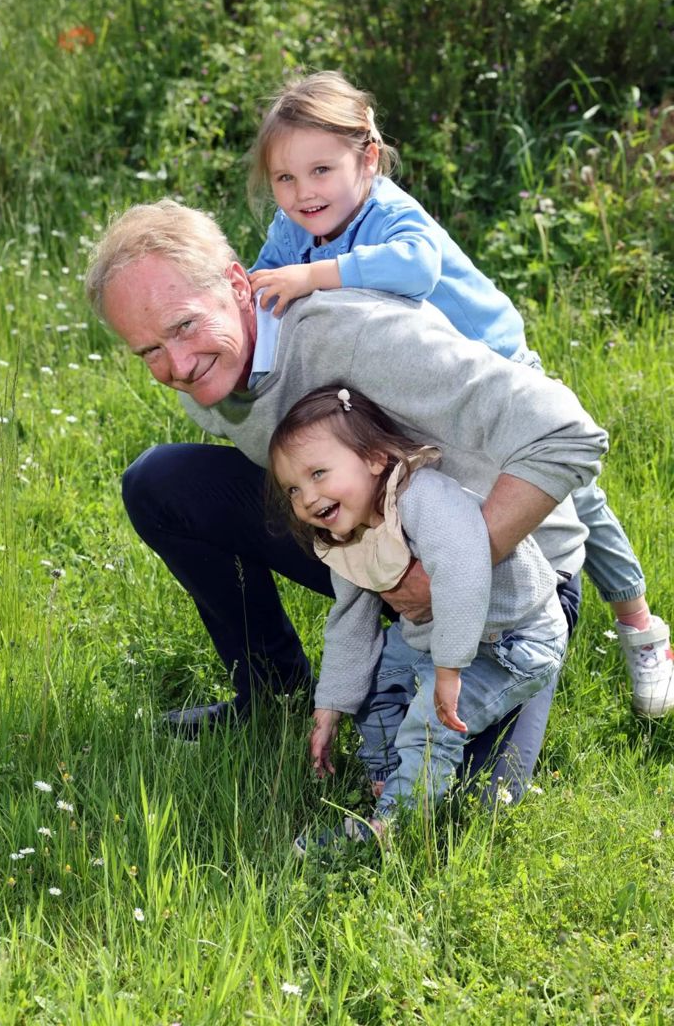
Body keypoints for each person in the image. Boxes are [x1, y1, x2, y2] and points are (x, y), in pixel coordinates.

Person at [85, 197, 606, 795]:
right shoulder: (207, 375)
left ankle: (491, 671)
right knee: (163, 484)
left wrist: (445, 575)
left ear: (236, 284)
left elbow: (568, 433)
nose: (175, 363)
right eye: (148, 350)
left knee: (466, 807)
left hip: (511, 580)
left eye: (183, 325)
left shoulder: (359, 338)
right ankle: (272, 690)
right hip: (385, 551)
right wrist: (390, 583)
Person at [247, 70, 673, 717]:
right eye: (285, 179)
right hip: (418, 398)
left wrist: (316, 274)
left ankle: (639, 624)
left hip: (493, 371)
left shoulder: (386, 211)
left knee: (575, 496)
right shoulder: (293, 232)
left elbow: (416, 267)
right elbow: (265, 287)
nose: (304, 193)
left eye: (321, 171)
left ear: (366, 158)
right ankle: (463, 619)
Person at [268, 386, 569, 845]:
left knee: (433, 720)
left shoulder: (421, 497)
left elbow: (464, 569)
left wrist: (447, 670)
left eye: (318, 473)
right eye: (293, 488)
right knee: (371, 683)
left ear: (373, 458)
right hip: (431, 636)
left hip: (514, 638)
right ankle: (391, 780)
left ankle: (396, 823)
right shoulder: (346, 535)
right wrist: (328, 709)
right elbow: (350, 623)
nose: (308, 497)